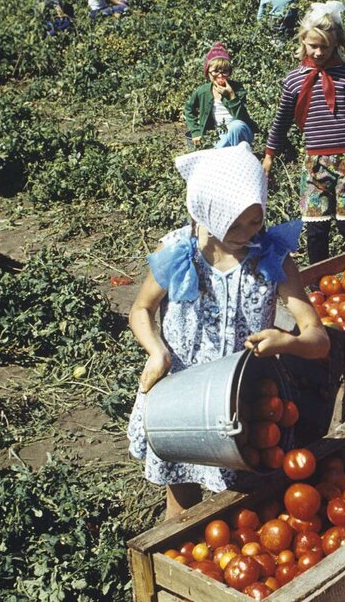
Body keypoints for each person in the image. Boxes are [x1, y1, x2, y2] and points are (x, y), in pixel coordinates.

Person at [127, 143, 330, 516]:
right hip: (181, 396)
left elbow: (318, 339)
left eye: (256, 220)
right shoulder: (177, 251)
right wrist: (157, 351)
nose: (248, 232)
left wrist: (286, 342)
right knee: (182, 501)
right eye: (234, 223)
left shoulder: (274, 260)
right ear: (208, 213)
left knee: (242, 503)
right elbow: (141, 308)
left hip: (244, 401)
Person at [263, 2, 345, 263]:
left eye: (325, 46)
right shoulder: (294, 80)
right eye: (313, 45)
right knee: (316, 227)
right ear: (303, 42)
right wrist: (269, 155)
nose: (319, 52)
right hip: (316, 163)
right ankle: (317, 283)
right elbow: (281, 121)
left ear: (337, 44)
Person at [184, 43, 259, 149]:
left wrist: (231, 95)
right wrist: (196, 132)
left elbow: (242, 119)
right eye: (215, 71)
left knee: (236, 126)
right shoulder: (202, 91)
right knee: (222, 143)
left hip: (241, 132)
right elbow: (188, 109)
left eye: (225, 72)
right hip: (218, 134)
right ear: (208, 72)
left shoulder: (237, 88)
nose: (220, 76)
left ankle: (218, 153)